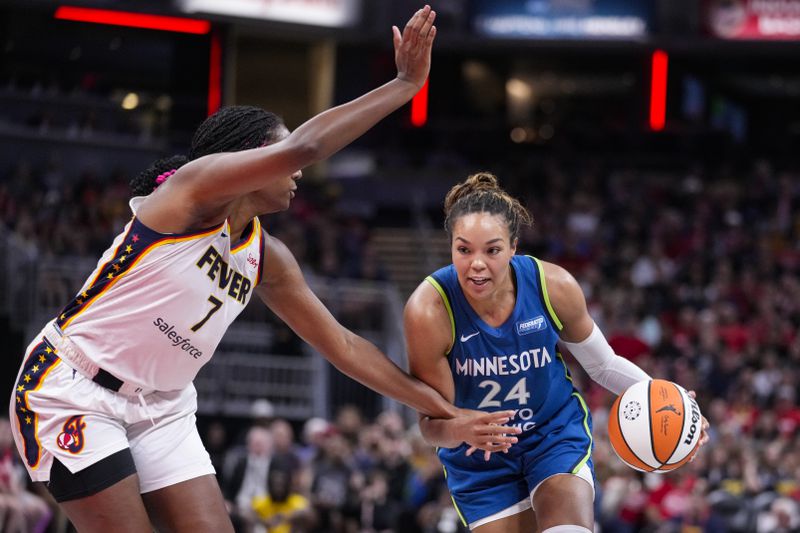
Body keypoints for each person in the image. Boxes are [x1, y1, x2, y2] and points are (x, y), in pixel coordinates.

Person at [8, 8, 512, 532]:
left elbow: (342, 346)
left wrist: (443, 409)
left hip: (163, 408)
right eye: (281, 153)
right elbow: (308, 146)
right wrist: (406, 84)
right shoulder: (189, 193)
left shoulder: (266, 255)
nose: (296, 172)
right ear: (252, 157)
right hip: (75, 387)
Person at [404, 172, 710, 533]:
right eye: (463, 249)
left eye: (492, 249)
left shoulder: (554, 285)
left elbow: (604, 365)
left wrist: (670, 401)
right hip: (479, 457)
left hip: (551, 433)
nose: (477, 263)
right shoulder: (428, 311)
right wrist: (459, 428)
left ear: (514, 246)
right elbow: (430, 425)